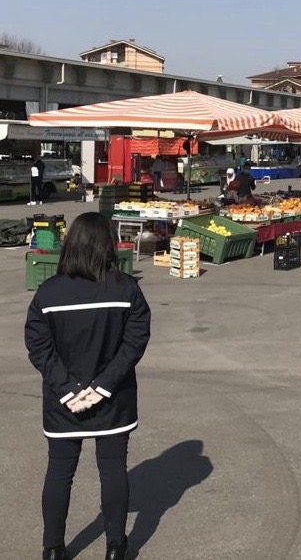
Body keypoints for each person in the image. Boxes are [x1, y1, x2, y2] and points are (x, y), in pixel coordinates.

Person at [25, 212, 151, 560]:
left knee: (60, 471)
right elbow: (134, 342)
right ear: (108, 244)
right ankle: (116, 547)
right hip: (114, 400)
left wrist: (68, 389)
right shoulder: (126, 288)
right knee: (112, 469)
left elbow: (38, 346)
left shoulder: (48, 293)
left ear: (71, 244)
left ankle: (52, 549)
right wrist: (102, 387)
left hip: (62, 402)